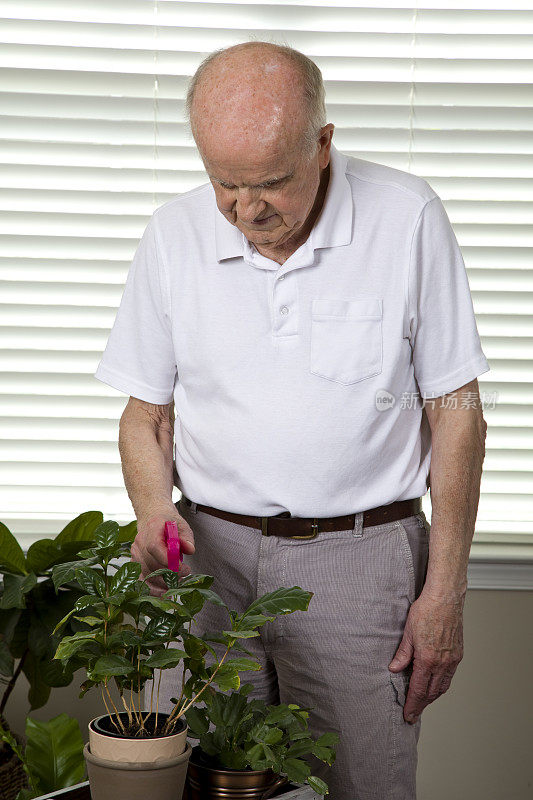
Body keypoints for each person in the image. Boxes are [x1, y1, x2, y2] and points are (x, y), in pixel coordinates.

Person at [94, 40, 490, 800]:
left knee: (363, 785)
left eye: (270, 183)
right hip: (207, 555)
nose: (246, 210)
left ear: (322, 142)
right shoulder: (172, 233)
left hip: (359, 558)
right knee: (205, 781)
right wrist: (153, 514)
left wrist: (444, 592)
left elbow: (458, 411)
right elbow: (144, 413)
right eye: (224, 185)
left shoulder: (406, 216)